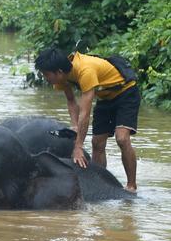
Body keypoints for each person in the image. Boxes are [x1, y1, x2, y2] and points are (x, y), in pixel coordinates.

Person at [34, 48, 139, 192]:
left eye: (46, 74)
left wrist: (78, 147)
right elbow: (71, 101)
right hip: (105, 97)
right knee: (97, 143)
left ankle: (131, 186)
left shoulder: (85, 70)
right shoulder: (62, 78)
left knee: (121, 138)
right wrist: (75, 126)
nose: (45, 78)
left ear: (58, 71)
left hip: (126, 92)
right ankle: (100, 184)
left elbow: (85, 112)